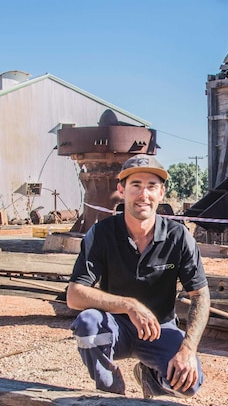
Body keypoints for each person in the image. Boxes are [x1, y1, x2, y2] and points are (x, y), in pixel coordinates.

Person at [66, 154, 211, 399]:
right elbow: (74, 295)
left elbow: (200, 295)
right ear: (121, 190)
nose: (144, 195)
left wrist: (188, 349)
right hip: (116, 326)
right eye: (136, 186)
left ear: (161, 193)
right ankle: (111, 393)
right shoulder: (102, 233)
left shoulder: (178, 237)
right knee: (88, 323)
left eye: (151, 186)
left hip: (161, 329)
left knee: (188, 383)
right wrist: (129, 305)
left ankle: (152, 377)